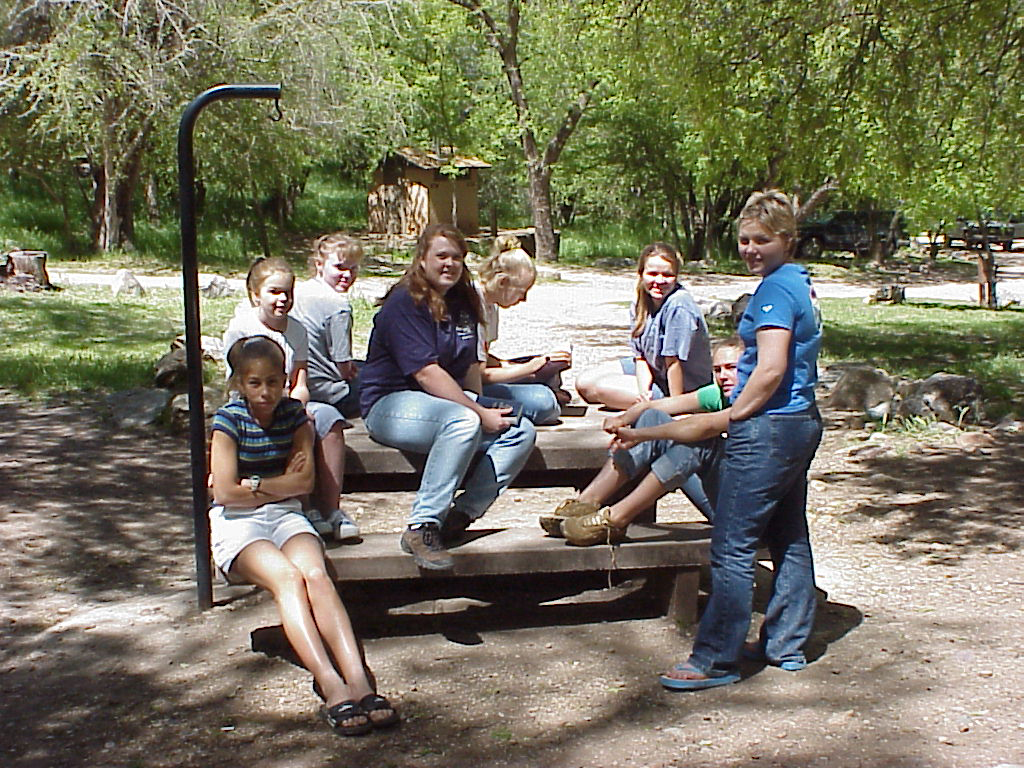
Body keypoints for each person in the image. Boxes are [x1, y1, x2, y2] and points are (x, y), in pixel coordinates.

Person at [660, 189, 823, 691]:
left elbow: (770, 369)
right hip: (801, 422)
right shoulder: (800, 282)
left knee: (732, 545)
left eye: (762, 240)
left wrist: (736, 414)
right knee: (788, 535)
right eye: (744, 241)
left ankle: (715, 658)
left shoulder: (775, 291)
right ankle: (786, 645)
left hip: (770, 427)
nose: (751, 249)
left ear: (787, 239)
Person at [209, 336, 398, 735]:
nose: (265, 393)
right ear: (240, 384)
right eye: (255, 383)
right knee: (288, 579)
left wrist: (257, 483)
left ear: (285, 381)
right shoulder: (228, 421)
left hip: (285, 514)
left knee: (315, 574)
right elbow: (224, 492)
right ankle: (330, 684)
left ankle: (359, 680)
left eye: (273, 382)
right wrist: (279, 482)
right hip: (238, 524)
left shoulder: (294, 416)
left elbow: (305, 480)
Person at [359, 223, 537, 571]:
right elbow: (427, 373)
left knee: (521, 430)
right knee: (464, 420)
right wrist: (478, 412)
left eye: (457, 257)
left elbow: (471, 366)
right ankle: (422, 525)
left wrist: (481, 404)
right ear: (422, 260)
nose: (449, 264)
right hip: (392, 404)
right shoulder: (404, 303)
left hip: (445, 405)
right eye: (441, 256)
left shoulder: (464, 301)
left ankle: (459, 518)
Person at [539, 338, 742, 546]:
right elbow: (660, 406)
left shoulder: (756, 401)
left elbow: (702, 426)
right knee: (652, 416)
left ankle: (617, 518)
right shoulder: (718, 393)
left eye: (732, 368)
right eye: (717, 370)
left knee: (698, 442)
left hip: (742, 512)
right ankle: (585, 503)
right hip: (722, 493)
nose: (723, 376)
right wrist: (623, 419)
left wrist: (640, 435)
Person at [223, 257, 359, 542]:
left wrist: (298, 406)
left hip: (286, 397)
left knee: (328, 421)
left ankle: (332, 509)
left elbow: (299, 380)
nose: (282, 299)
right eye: (274, 292)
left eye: (288, 292)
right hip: (255, 403)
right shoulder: (241, 329)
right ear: (255, 294)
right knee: (297, 427)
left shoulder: (296, 329)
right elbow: (238, 385)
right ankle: (304, 506)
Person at [575, 242, 712, 410]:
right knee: (585, 383)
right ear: (641, 274)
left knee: (603, 388)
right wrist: (643, 390)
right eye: (653, 274)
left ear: (676, 276)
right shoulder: (641, 302)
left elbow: (673, 363)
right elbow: (641, 358)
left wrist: (676, 407)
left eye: (667, 275)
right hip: (654, 370)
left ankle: (665, 404)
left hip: (682, 384)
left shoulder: (678, 305)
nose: (659, 281)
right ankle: (644, 400)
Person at [475, 235, 571, 426]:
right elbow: (478, 374)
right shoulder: (472, 306)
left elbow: (483, 354)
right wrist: (529, 369)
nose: (523, 299)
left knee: (550, 378)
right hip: (469, 388)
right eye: (521, 291)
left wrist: (510, 365)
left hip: (483, 378)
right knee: (544, 403)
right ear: (502, 282)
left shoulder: (492, 305)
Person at [291, 233, 364, 420]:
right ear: (319, 265)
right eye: (340, 267)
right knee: (386, 377)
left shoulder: (298, 292)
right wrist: (350, 369)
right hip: (330, 394)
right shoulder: (338, 306)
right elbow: (343, 364)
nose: (347, 275)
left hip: (295, 383)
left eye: (353, 268)